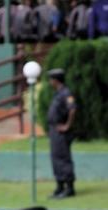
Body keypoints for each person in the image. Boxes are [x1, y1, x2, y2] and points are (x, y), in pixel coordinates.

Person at [47, 68, 77, 198]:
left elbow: (73, 109)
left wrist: (67, 125)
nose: (49, 82)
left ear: (56, 80)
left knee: (63, 158)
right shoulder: (58, 93)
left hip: (62, 131)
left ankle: (69, 188)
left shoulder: (66, 93)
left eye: (51, 79)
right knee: (55, 158)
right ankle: (60, 186)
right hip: (54, 130)